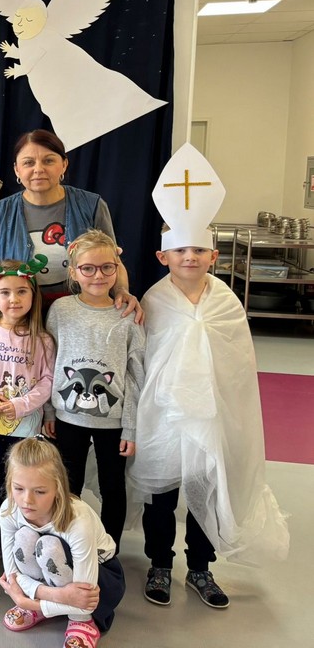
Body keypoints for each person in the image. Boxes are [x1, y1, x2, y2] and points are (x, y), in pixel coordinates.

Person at [129, 143, 288, 609]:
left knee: (207, 489)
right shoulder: (153, 301)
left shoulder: (226, 302)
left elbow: (238, 368)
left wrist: (230, 415)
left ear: (214, 255)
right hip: (164, 416)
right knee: (162, 494)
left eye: (198, 249)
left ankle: (200, 566)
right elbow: (143, 359)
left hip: (212, 415)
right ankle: (160, 564)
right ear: (163, 256)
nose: (190, 257)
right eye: (180, 250)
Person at [0, 129, 139, 337]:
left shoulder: (91, 205)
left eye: (48, 161)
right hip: (22, 319)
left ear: (64, 164)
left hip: (82, 316)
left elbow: (113, 260)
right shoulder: (0, 213)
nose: (38, 169)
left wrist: (122, 291)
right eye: (28, 163)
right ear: (16, 170)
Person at [44, 229, 144, 549]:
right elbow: (49, 362)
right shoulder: (61, 310)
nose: (98, 275)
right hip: (67, 419)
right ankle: (68, 545)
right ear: (73, 272)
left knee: (112, 487)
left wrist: (130, 426)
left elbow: (135, 374)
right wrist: (49, 411)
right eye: (88, 268)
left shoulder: (128, 315)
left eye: (106, 267)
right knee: (67, 486)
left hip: (112, 424)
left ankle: (108, 551)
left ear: (117, 268)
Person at [0, 258, 54, 571]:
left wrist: (20, 405)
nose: (13, 299)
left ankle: (26, 541)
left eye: (21, 291)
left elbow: (48, 381)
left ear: (33, 295)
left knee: (25, 487)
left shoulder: (42, 340)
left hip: (26, 430)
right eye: (5, 292)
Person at [0, 438, 125, 648]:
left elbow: (85, 601)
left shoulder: (78, 519)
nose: (27, 500)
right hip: (61, 586)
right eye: (18, 488)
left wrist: (25, 600)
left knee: (48, 545)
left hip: (101, 580)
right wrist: (53, 596)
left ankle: (81, 622)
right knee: (25, 538)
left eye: (40, 491)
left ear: (58, 488)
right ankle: (42, 606)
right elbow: (12, 577)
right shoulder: (8, 509)